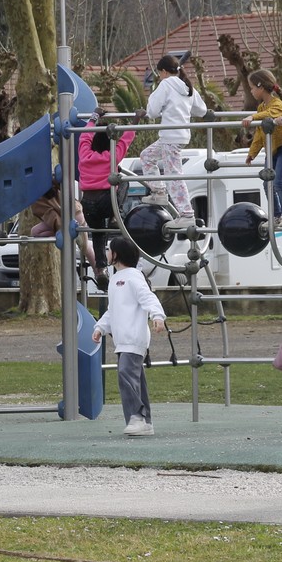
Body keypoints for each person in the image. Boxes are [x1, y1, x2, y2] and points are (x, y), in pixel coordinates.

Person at [92, 237, 167, 437]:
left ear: (116, 254)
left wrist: (157, 315)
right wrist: (100, 327)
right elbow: (113, 310)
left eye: (108, 250)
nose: (106, 253)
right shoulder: (116, 279)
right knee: (135, 378)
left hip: (134, 338)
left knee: (125, 373)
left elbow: (148, 297)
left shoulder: (133, 277)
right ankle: (145, 422)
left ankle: (136, 418)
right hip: (123, 340)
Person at [137, 54, 209, 228]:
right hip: (179, 135)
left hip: (170, 136)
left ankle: (186, 213)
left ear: (163, 71)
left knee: (173, 174)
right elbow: (202, 110)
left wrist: (157, 107)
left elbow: (152, 111)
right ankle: (159, 191)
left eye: (159, 73)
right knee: (147, 156)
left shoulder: (166, 84)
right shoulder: (186, 85)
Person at [240, 68, 282, 229]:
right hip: (271, 150)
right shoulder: (261, 107)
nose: (251, 91)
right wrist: (252, 153)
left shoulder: (277, 104)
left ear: (261, 87)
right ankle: (276, 215)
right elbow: (260, 134)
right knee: (267, 183)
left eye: (252, 87)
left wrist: (252, 117)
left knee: (278, 181)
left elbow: (271, 114)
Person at [79, 106, 135, 235]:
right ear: (110, 145)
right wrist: (135, 120)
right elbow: (125, 140)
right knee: (123, 182)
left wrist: (94, 117)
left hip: (87, 204)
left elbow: (84, 136)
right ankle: (115, 215)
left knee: (98, 233)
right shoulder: (112, 156)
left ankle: (99, 249)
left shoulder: (84, 155)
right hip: (105, 203)